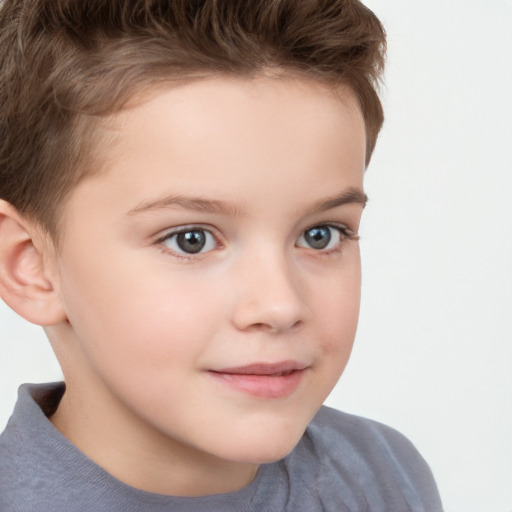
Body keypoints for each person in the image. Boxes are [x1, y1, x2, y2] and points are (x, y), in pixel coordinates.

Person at [0, 0, 443, 510]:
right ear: (30, 265)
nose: (280, 306)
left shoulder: (383, 474)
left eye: (320, 234)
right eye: (192, 239)